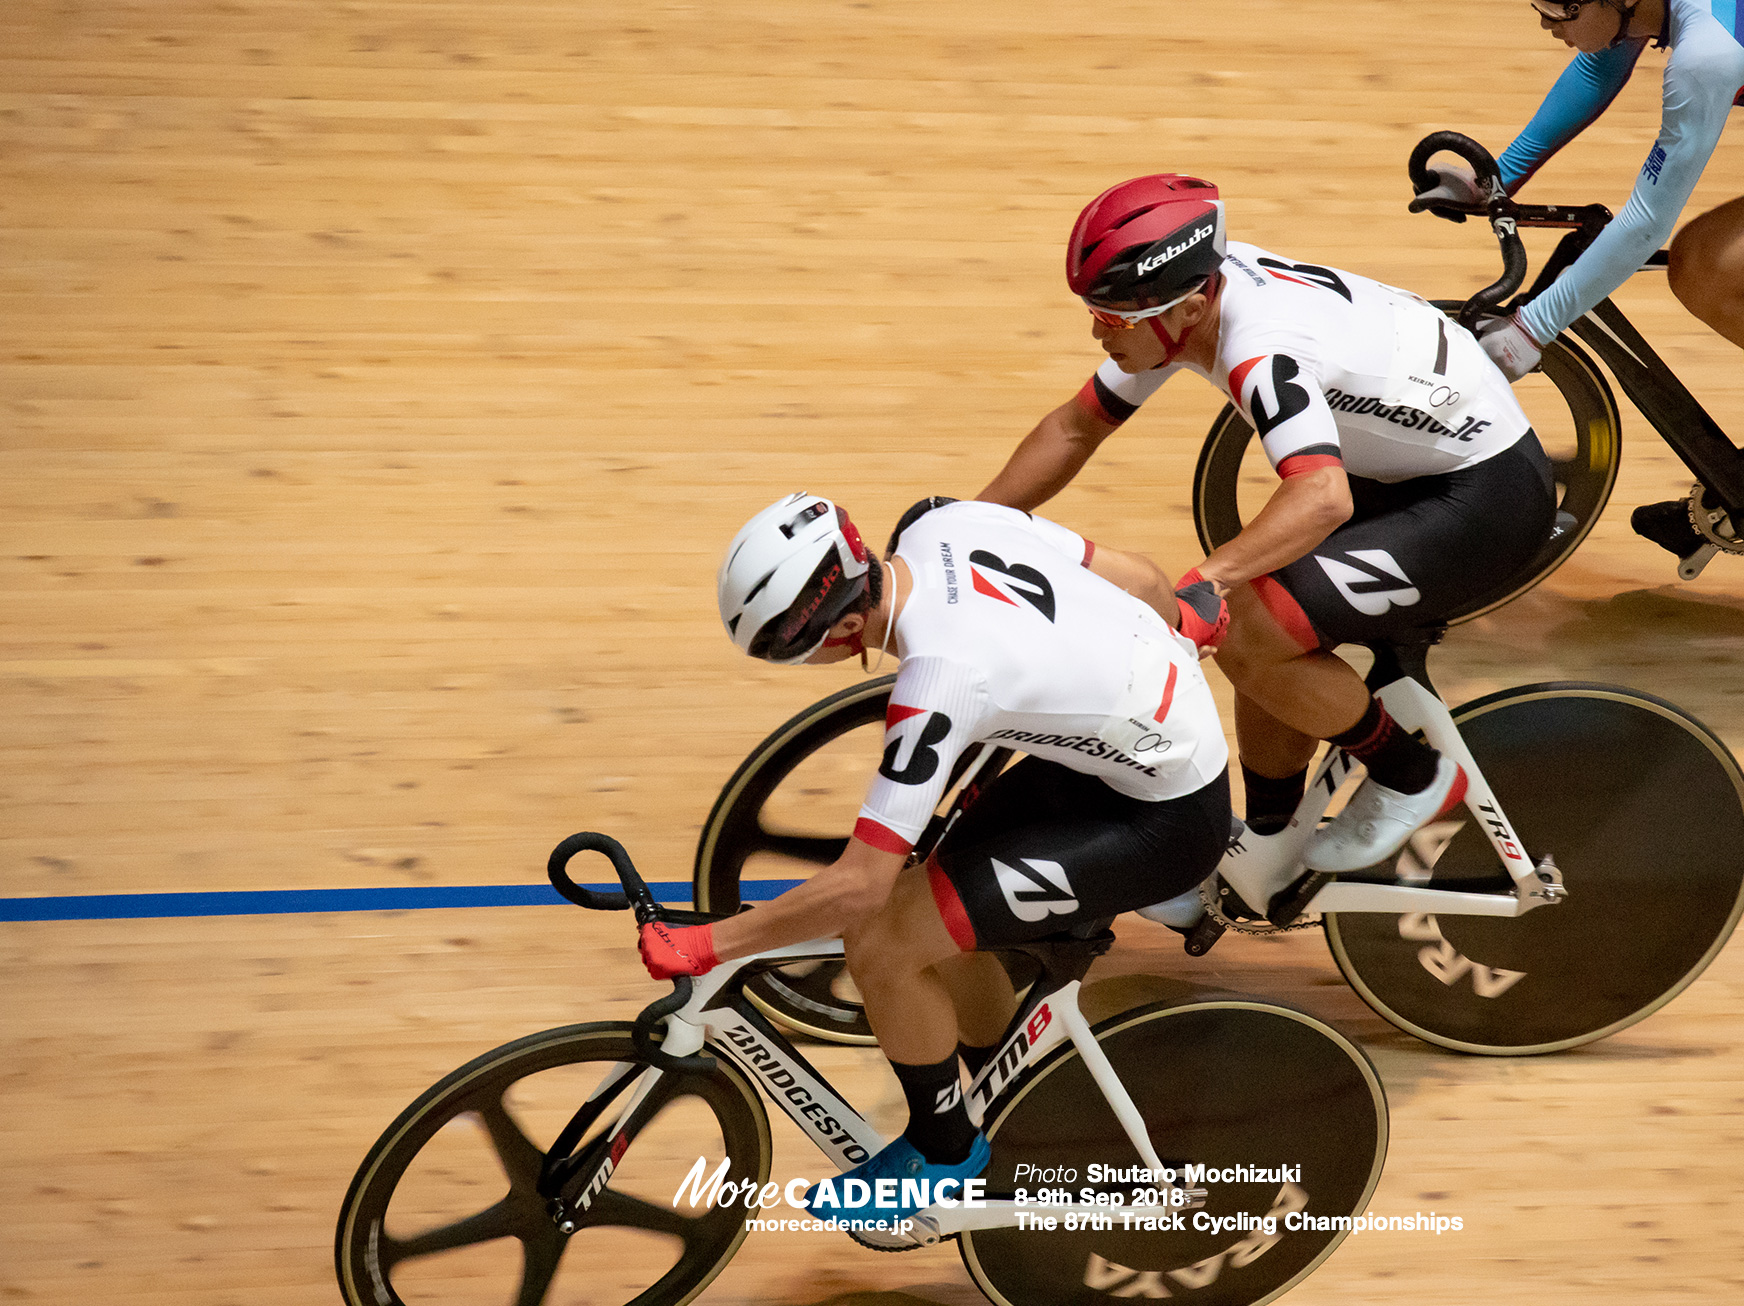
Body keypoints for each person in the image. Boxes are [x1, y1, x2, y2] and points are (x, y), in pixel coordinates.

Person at [638, 491, 1233, 1228]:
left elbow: (858, 887)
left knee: (883, 939)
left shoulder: (939, 683)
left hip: (1163, 820)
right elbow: (1142, 578)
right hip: (1129, 757)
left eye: (793, 651)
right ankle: (1004, 1090)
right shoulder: (942, 521)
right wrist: (1186, 620)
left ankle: (944, 1152)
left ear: (848, 627)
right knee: (934, 914)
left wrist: (706, 943)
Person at [977, 174, 1555, 920]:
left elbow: (1322, 496)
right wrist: (975, 522)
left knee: (1245, 625)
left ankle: (1411, 774)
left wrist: (1204, 581)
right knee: (1254, 624)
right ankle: (1273, 841)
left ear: (1186, 307)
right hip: (1406, 465)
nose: (1098, 333)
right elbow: (1074, 427)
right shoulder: (1192, 303)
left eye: (1110, 317)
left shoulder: (1260, 349)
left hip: (1481, 498)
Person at [1414, 0, 1744, 556]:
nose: (1547, 21)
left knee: (1706, 266)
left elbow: (1647, 223)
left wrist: (1535, 327)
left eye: (1562, 7)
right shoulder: (1654, 8)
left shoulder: (1708, 53)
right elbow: (1600, 60)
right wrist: (1499, 177)